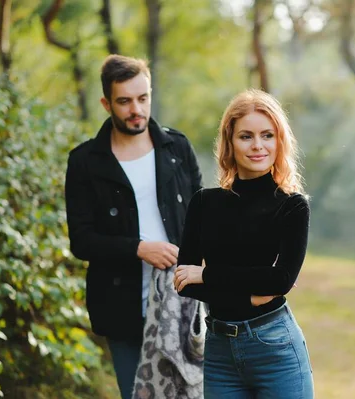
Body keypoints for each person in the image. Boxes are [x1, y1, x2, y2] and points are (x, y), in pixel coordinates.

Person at [64, 54, 203, 399]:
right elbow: (81, 241)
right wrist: (139, 248)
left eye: (143, 98)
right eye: (124, 101)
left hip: (184, 300)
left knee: (196, 392)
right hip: (121, 307)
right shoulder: (84, 162)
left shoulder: (177, 147)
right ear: (106, 103)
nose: (136, 109)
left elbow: (204, 218)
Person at [173, 89, 314, 398]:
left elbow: (280, 280)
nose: (258, 146)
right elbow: (185, 281)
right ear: (230, 142)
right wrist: (250, 296)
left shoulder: (292, 206)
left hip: (275, 347)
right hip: (220, 353)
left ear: (279, 142)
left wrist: (208, 276)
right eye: (246, 136)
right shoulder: (204, 202)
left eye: (267, 135)